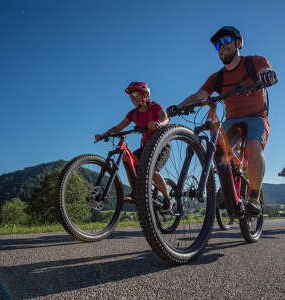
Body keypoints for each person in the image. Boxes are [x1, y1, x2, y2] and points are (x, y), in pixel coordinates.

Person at [172, 26, 278, 215]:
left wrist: (267, 76)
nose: (221, 47)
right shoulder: (217, 77)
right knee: (218, 150)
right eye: (217, 45)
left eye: (225, 41)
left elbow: (265, 70)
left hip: (256, 118)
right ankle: (229, 186)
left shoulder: (254, 61)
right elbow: (199, 95)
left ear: (238, 43)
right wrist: (178, 107)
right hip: (232, 120)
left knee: (254, 147)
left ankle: (254, 197)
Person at [95, 82, 174, 213]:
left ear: (145, 95)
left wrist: (158, 124)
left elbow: (165, 118)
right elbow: (118, 127)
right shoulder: (133, 114)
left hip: (162, 146)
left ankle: (167, 198)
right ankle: (135, 192)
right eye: (131, 95)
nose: (133, 98)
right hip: (147, 147)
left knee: (152, 171)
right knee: (129, 160)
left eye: (136, 94)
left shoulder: (154, 107)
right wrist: (103, 135)